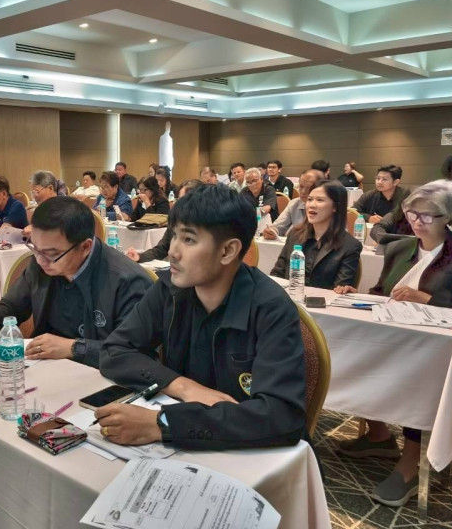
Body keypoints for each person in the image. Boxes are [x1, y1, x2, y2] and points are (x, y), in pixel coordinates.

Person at [97, 185, 306, 450]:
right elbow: (114, 351)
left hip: (254, 453)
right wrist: (183, 387)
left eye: (189, 240)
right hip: (191, 440)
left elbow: (281, 415)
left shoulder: (271, 308)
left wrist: (162, 424)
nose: (173, 252)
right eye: (174, 236)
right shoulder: (169, 290)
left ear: (227, 251)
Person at [337, 180, 452, 507]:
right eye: (411, 214)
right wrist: (360, 296)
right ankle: (379, 435)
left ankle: (411, 461)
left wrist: (428, 298)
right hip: (393, 340)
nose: (417, 222)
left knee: (419, 371)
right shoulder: (399, 248)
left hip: (439, 351)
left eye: (427, 216)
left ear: (448, 216)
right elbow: (383, 295)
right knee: (351, 355)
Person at [0, 197, 151, 368]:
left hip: (102, 377)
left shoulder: (128, 281)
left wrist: (74, 348)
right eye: (35, 248)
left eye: (52, 254)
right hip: (45, 367)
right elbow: (12, 305)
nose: (41, 260)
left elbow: (134, 352)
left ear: (85, 247)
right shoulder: (41, 261)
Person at [271, 181, 362, 289]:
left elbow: (339, 290)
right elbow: (277, 274)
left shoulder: (350, 246)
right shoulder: (295, 234)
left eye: (320, 200)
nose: (312, 205)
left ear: (336, 207)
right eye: (310, 199)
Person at [125, 179, 202, 263]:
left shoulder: (205, 228)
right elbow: (161, 249)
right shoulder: (175, 222)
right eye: (179, 200)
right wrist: (139, 257)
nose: (180, 205)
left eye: (186, 200)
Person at [262, 170, 324, 240]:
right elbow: (278, 226)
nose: (303, 191)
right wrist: (271, 231)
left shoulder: (326, 208)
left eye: (309, 188)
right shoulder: (294, 204)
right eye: (301, 186)